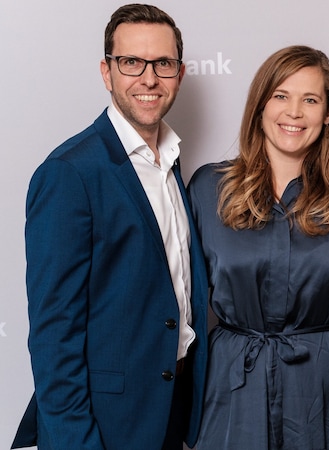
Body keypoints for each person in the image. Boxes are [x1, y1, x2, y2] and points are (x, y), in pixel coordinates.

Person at [12, 4, 208, 450]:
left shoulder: (173, 163)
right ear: (107, 72)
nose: (149, 77)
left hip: (172, 409)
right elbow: (53, 336)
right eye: (131, 62)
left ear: (179, 72)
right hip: (106, 423)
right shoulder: (70, 173)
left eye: (163, 63)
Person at [187, 45, 329, 450]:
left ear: (328, 114)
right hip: (231, 390)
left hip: (323, 391)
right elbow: (180, 306)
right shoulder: (207, 188)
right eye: (281, 95)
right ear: (260, 104)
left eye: (311, 100)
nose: (294, 112)